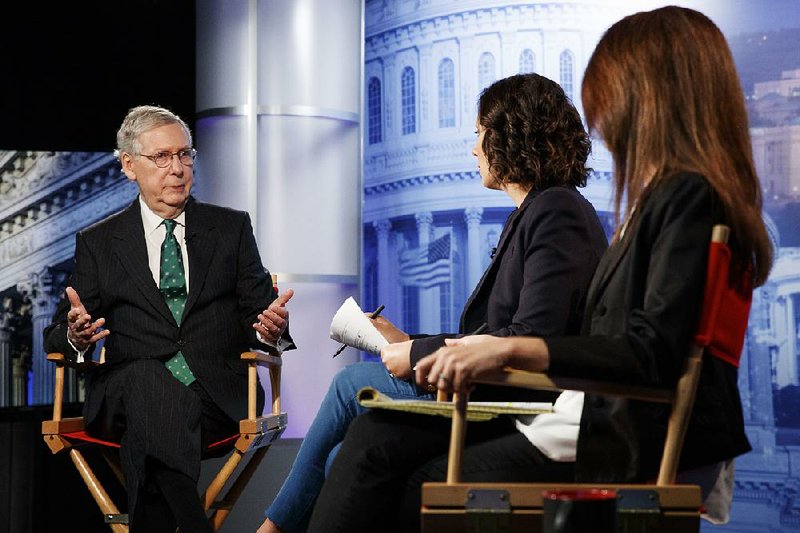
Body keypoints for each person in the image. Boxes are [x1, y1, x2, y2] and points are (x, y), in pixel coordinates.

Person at [309, 6, 774, 532]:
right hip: (599, 416)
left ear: (653, 98)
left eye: (610, 93)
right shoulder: (675, 199)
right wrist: (485, 346)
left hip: (619, 430)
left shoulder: (685, 198)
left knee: (397, 461)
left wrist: (507, 346)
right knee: (378, 440)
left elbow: (649, 351)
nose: (600, 117)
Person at [258, 73, 608, 532]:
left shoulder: (556, 210)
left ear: (511, 136)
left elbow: (529, 339)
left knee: (350, 385)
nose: (474, 149)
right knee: (348, 454)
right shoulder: (535, 214)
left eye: (480, 133)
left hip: (517, 401)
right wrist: (408, 340)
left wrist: (419, 355)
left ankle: (270, 530)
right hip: (490, 385)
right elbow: (495, 335)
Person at [43, 105, 296, 533]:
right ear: (129, 165)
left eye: (185, 155)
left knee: (151, 433)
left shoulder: (230, 228)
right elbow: (59, 331)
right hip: (125, 396)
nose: (177, 169)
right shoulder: (99, 242)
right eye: (161, 157)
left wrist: (273, 330)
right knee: (145, 378)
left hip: (214, 397)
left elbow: (262, 313)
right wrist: (76, 336)